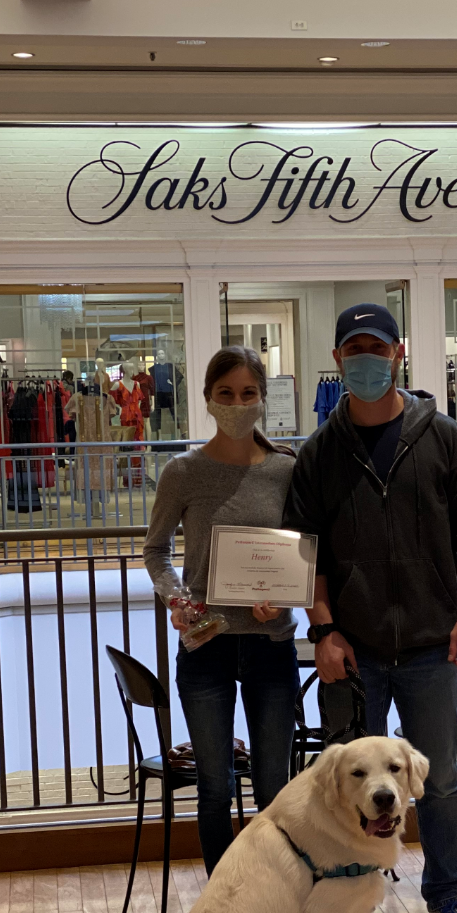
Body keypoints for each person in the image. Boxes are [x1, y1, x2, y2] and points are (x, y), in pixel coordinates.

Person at [284, 304, 457, 913]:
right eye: (353, 350)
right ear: (337, 359)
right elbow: (306, 551)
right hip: (353, 652)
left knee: (439, 785)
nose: (365, 361)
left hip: (432, 647)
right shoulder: (319, 454)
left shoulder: (443, 438)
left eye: (375, 348)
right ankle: (351, 911)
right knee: (344, 790)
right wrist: (323, 629)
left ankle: (446, 900)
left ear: (397, 353)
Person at [143, 346, 299, 876]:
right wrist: (176, 599)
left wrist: (285, 594)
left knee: (274, 788)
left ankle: (276, 894)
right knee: (215, 788)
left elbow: (304, 550)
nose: (237, 404)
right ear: (208, 398)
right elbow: (156, 550)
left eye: (248, 393)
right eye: (226, 394)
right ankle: (224, 899)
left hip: (271, 645)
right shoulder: (183, 472)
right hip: (205, 646)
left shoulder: (285, 470)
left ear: (263, 398)